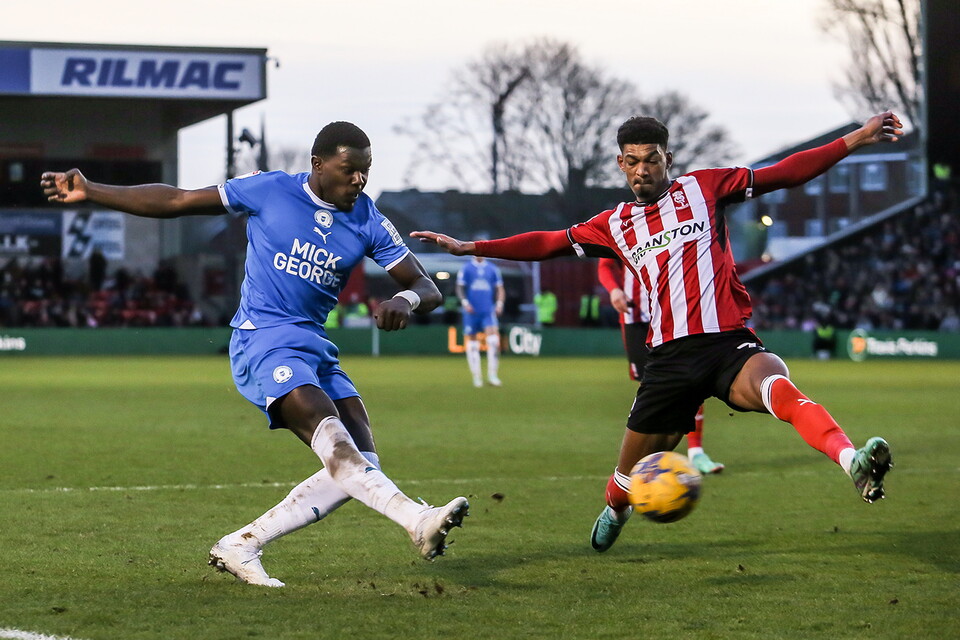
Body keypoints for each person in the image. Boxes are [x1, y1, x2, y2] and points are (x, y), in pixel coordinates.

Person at [412, 111, 901, 553]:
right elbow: (548, 243)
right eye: (632, 162)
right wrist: (468, 246)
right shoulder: (615, 224)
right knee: (625, 479)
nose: (642, 169)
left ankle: (851, 461)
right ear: (620, 165)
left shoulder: (704, 188)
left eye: (651, 159)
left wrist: (856, 138)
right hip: (668, 360)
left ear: (668, 158)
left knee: (780, 388)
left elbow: (784, 173)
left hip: (728, 342)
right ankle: (617, 509)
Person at [41, 121, 469, 587]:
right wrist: (93, 190)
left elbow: (425, 285)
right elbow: (178, 201)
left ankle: (241, 545)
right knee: (334, 439)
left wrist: (403, 300)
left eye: (365, 172)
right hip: (262, 338)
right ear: (318, 165)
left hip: (315, 347)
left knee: (362, 462)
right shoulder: (270, 190)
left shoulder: (367, 218)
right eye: (350, 171)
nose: (359, 181)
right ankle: (416, 520)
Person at [597, 256, 724, 475]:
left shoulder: (677, 222)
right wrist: (614, 290)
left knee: (690, 379)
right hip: (635, 316)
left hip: (674, 313)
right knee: (651, 387)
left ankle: (696, 452)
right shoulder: (619, 224)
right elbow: (605, 264)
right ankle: (651, 458)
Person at [456, 256, 505, 387]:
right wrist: (465, 303)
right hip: (471, 311)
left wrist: (499, 304)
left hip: (488, 310)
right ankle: (476, 376)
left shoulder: (492, 268)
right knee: (472, 344)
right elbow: (460, 287)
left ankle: (493, 375)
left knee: (494, 341)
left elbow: (500, 288)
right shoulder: (466, 268)